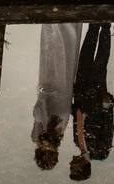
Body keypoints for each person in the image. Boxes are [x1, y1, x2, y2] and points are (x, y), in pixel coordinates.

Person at [31, 23, 83, 170]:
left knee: (57, 51)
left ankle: (60, 22)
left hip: (54, 84)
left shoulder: (43, 134)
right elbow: (39, 108)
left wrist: (41, 136)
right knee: (61, 51)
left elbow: (40, 107)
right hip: (59, 86)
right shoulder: (53, 133)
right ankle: (63, 22)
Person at [70, 22, 114, 180]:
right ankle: (106, 26)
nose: (70, 164)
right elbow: (109, 127)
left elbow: (76, 117)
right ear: (81, 168)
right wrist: (108, 106)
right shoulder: (101, 152)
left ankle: (94, 24)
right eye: (73, 168)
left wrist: (69, 101)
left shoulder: (76, 142)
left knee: (85, 54)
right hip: (96, 96)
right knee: (101, 60)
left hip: (81, 92)